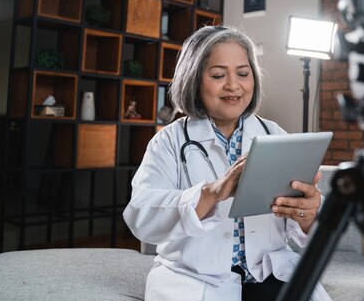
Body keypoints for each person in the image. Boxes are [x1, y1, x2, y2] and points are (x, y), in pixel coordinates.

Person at [123, 26, 331, 301]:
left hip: (270, 274)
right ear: (194, 80)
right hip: (194, 279)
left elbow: (312, 230)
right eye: (219, 75)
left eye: (243, 74)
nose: (233, 85)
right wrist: (212, 193)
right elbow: (140, 215)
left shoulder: (274, 136)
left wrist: (309, 211)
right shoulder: (169, 142)